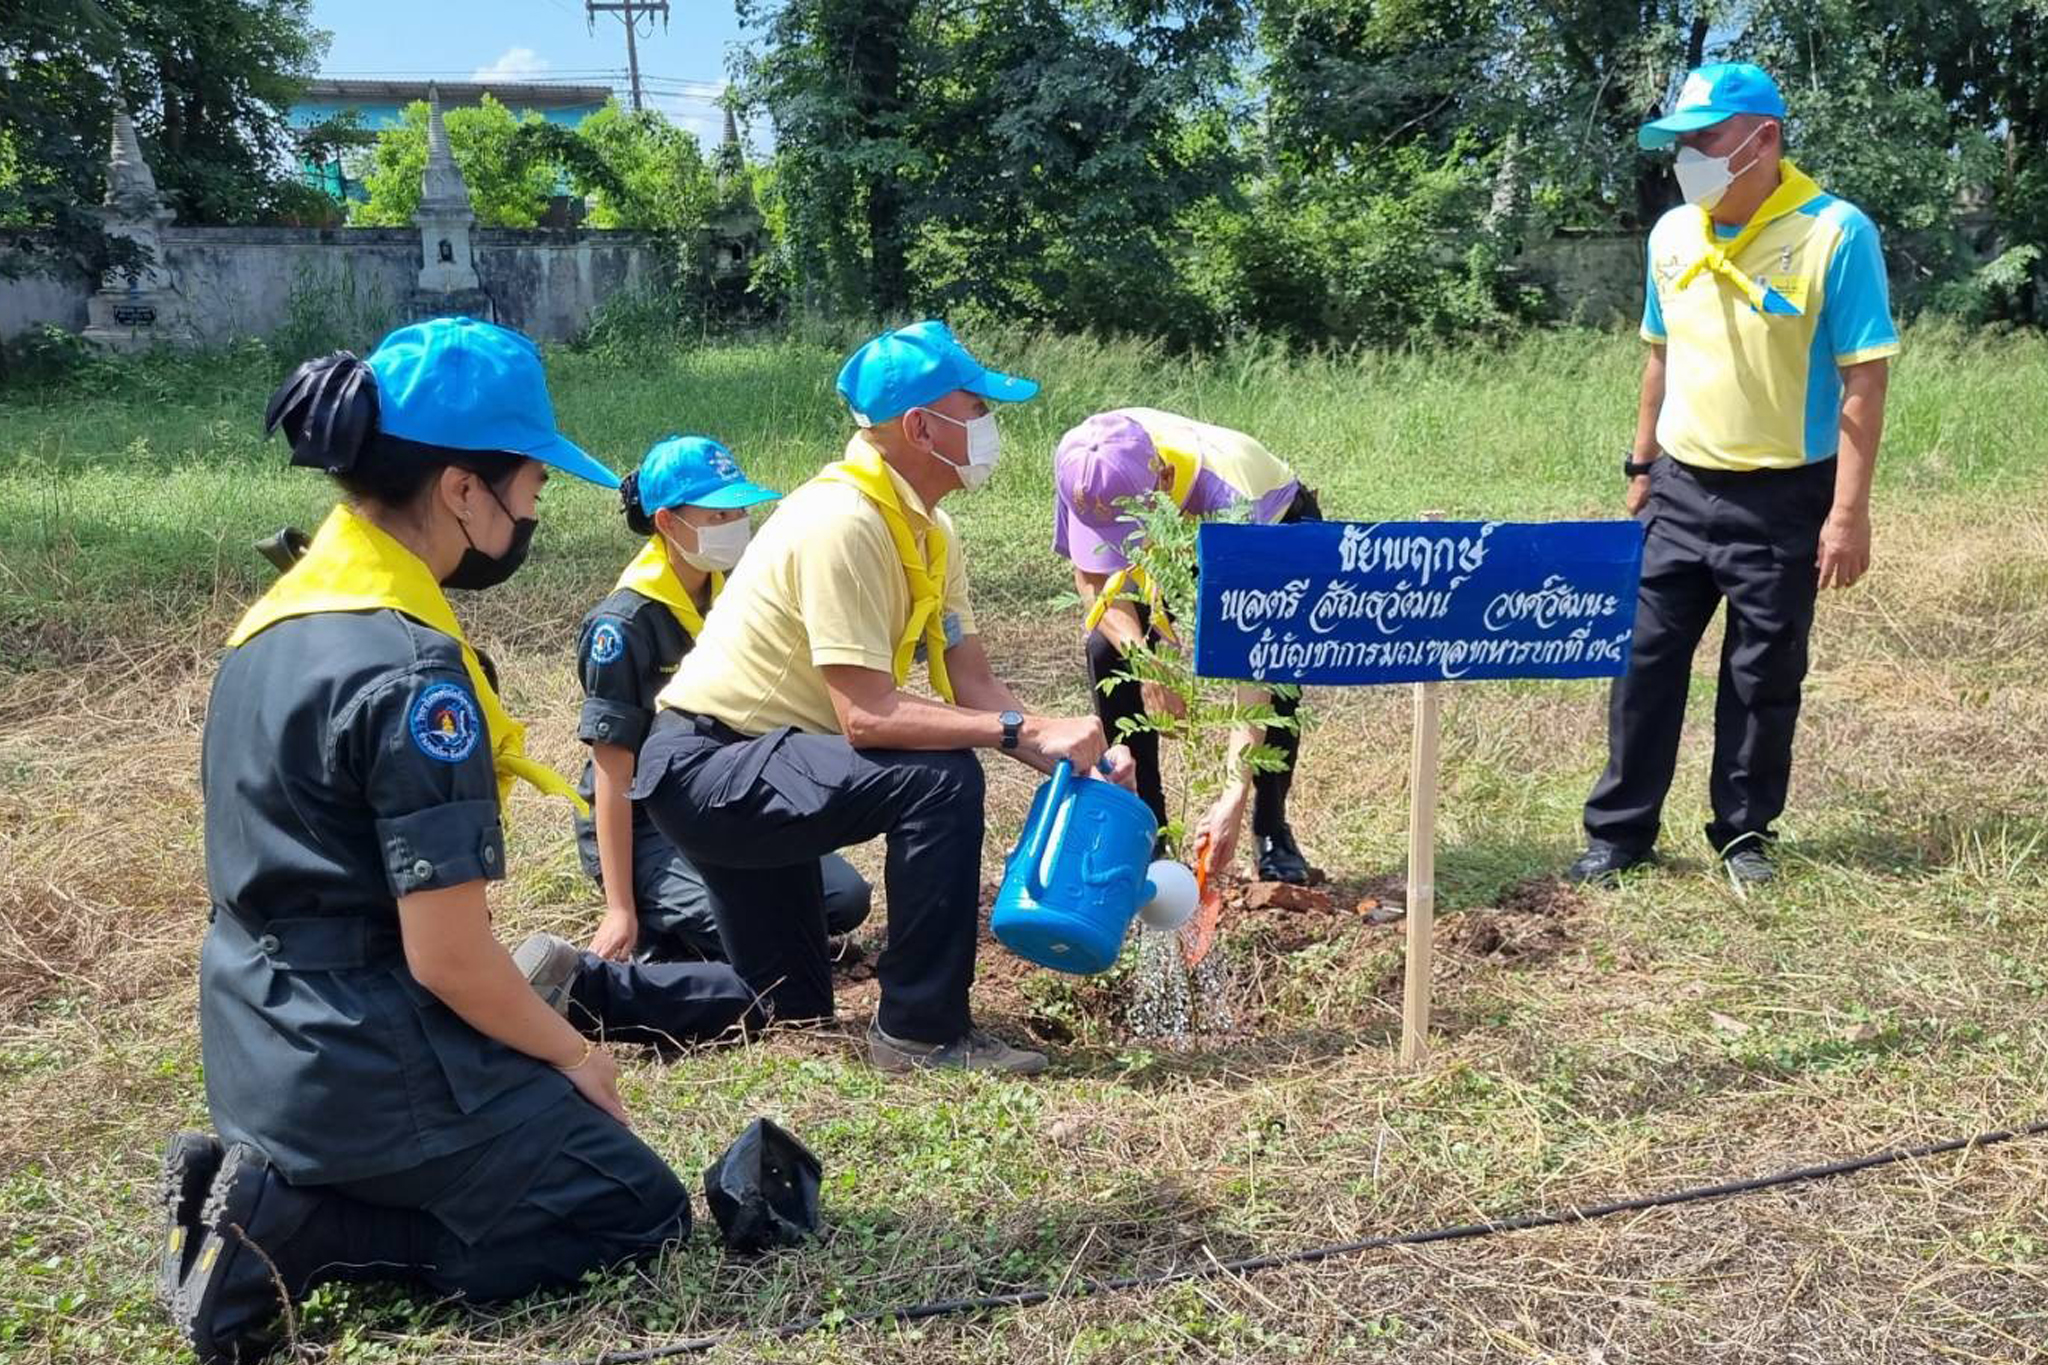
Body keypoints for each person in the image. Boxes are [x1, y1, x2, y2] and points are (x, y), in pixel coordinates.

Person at [162, 318, 755, 1364]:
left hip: (259, 1044)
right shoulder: (410, 676)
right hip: (364, 1055)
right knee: (631, 1210)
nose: (533, 511)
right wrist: (577, 1056)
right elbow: (445, 956)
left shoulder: (278, 622)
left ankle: (282, 1190)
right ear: (460, 489)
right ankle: (295, 1237)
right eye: (528, 484)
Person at [631, 320, 1136, 1075]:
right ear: (920, 426)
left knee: (788, 1007)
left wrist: (1062, 751)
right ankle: (923, 1032)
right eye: (976, 408)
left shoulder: (929, 529)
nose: (989, 425)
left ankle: (579, 989)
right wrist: (1007, 730)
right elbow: (865, 717)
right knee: (942, 778)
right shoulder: (842, 522)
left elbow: (970, 680)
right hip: (710, 767)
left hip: (770, 762)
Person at [1569, 63, 1898, 889]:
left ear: (1765, 138)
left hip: (1785, 495)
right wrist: (1641, 463)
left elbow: (1864, 376)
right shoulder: (1673, 234)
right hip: (1679, 486)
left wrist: (1847, 515)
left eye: (1706, 140)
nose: (1689, 157)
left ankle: (1742, 833)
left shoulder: (1836, 233)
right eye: (1682, 143)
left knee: (1762, 673)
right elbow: (1659, 355)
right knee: (1642, 662)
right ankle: (1619, 833)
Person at [573, 434, 872, 962]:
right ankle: (654, 930)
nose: (735, 524)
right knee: (771, 938)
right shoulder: (622, 626)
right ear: (667, 522)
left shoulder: (735, 588)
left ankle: (694, 926)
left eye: (737, 510)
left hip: (721, 794)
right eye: (716, 516)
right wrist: (620, 907)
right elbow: (613, 771)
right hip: (647, 820)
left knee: (844, 900)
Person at [1054, 409, 1323, 883]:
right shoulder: (1083, 465)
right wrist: (1152, 662)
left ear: (1165, 479)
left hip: (1273, 525)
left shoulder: (1232, 500)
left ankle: (1269, 828)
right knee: (1107, 649)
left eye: (1128, 530)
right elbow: (1095, 580)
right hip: (1171, 540)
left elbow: (1253, 659)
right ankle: (1147, 831)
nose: (1119, 543)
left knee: (1280, 677)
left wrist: (1231, 797)